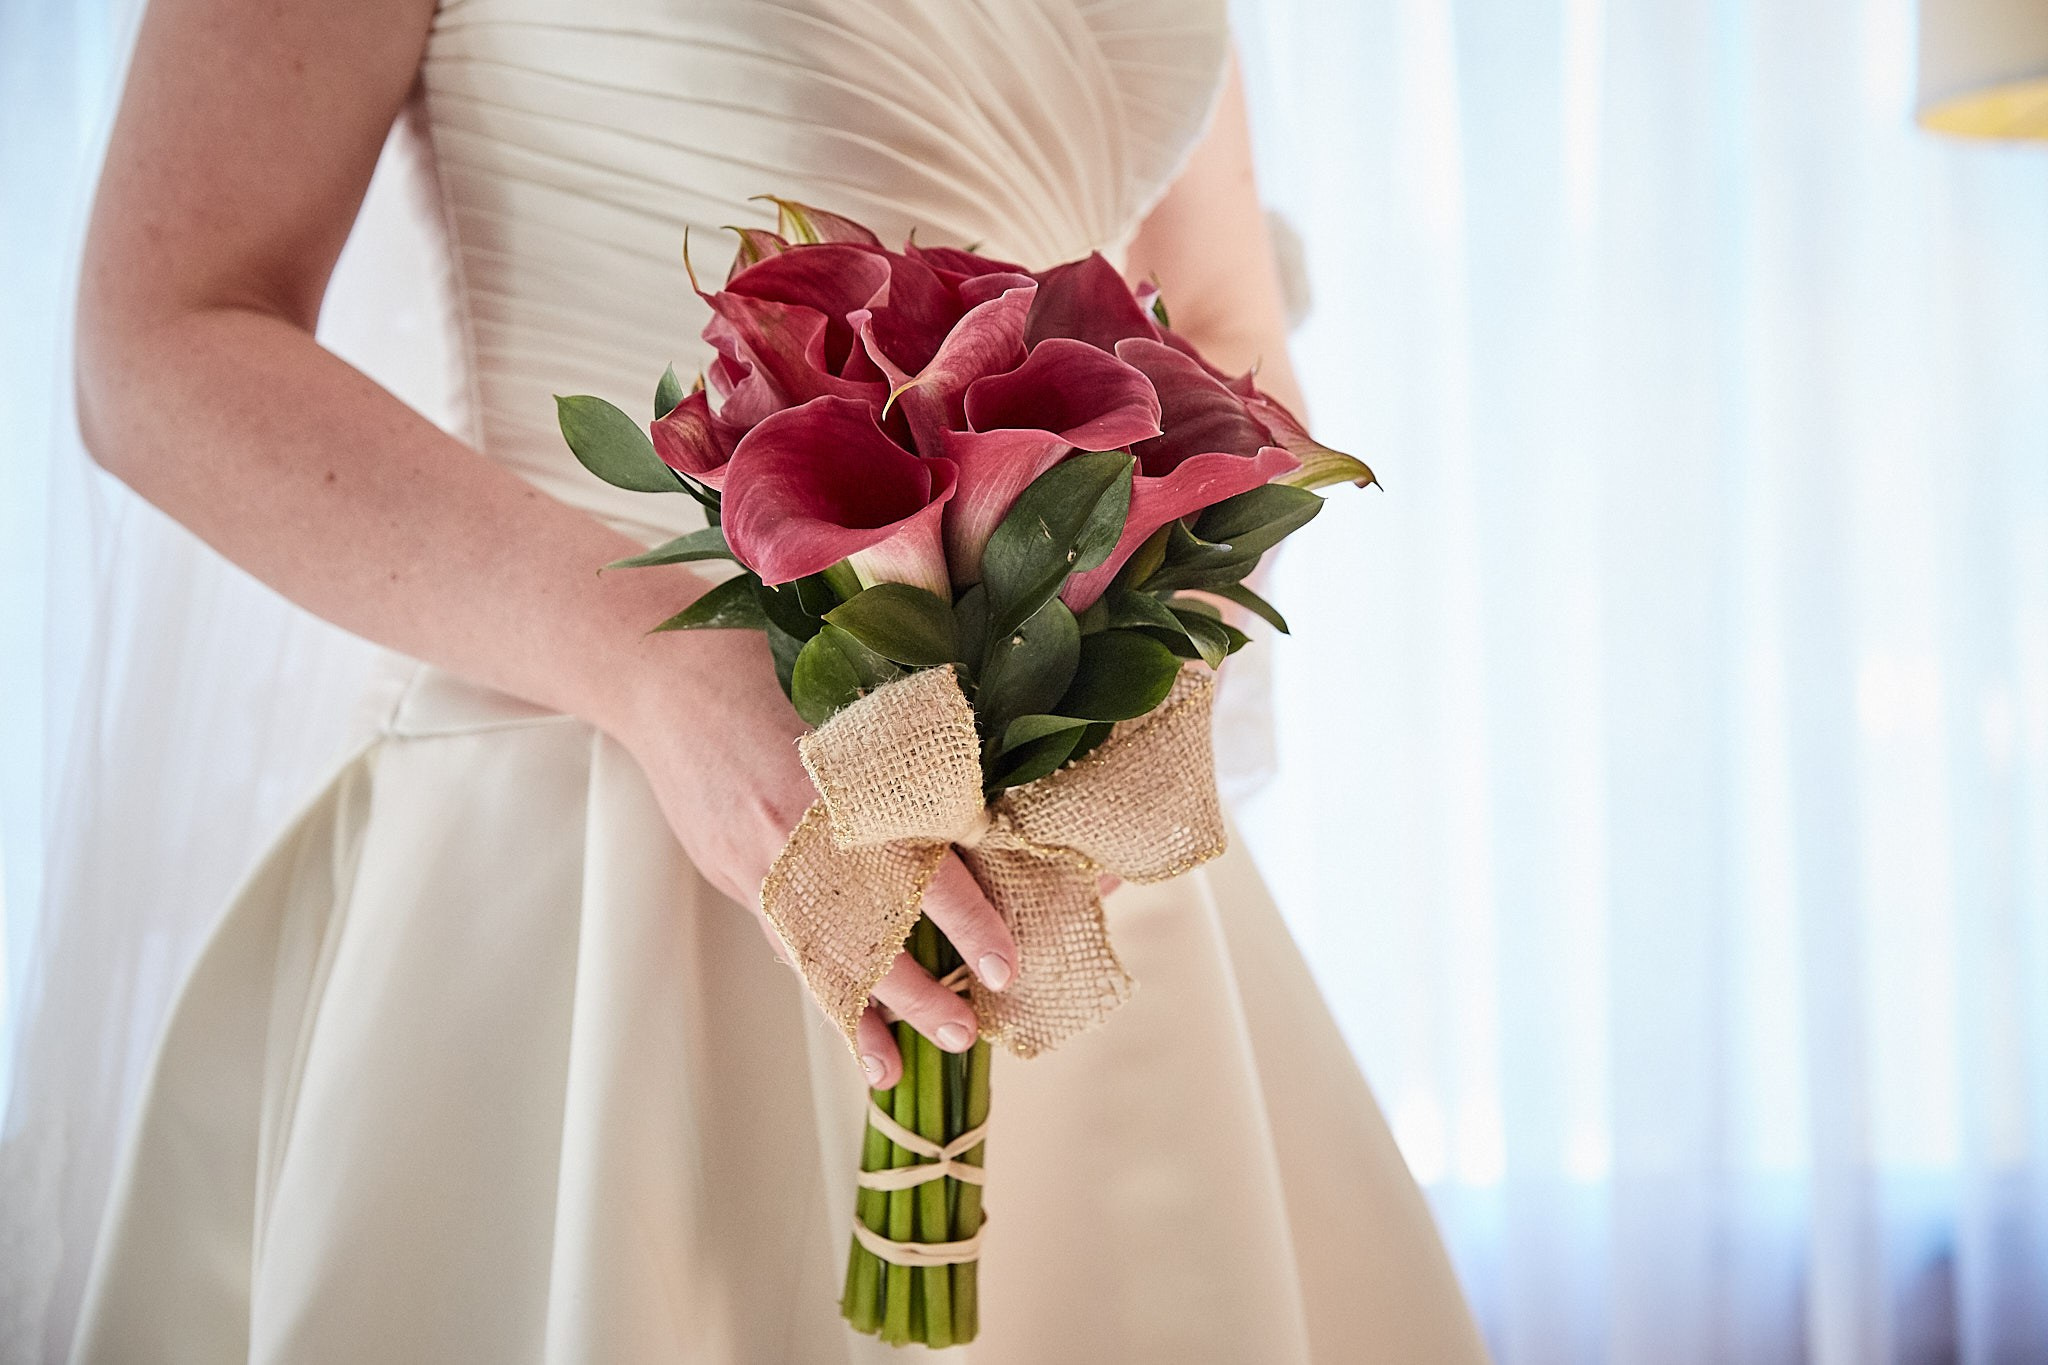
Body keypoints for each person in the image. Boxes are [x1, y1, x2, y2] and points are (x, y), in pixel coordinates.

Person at [54, 0, 1490, 1360]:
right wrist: (651, 663)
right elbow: (163, 337)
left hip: (1050, 829)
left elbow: (1222, 330)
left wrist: (1131, 675)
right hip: (600, 837)